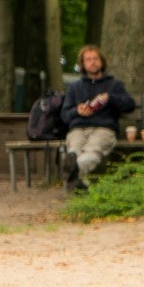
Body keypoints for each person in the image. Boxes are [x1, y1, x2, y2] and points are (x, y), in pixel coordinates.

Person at [59, 45, 137, 192]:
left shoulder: (114, 85)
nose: (92, 62)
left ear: (102, 61)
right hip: (78, 129)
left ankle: (73, 170)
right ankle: (77, 176)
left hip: (103, 128)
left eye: (95, 59)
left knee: (92, 150)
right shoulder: (74, 87)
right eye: (88, 60)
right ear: (83, 64)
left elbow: (130, 105)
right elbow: (65, 115)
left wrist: (110, 98)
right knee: (74, 149)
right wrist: (77, 111)